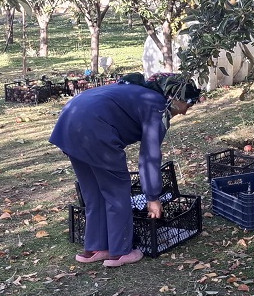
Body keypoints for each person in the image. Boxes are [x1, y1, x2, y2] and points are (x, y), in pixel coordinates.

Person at [50, 72, 200, 267]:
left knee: (93, 192)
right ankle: (121, 252)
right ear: (175, 97)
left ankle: (95, 248)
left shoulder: (138, 92)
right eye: (187, 104)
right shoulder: (158, 106)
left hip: (68, 122)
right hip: (95, 129)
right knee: (117, 191)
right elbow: (149, 155)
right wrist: (152, 197)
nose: (185, 112)